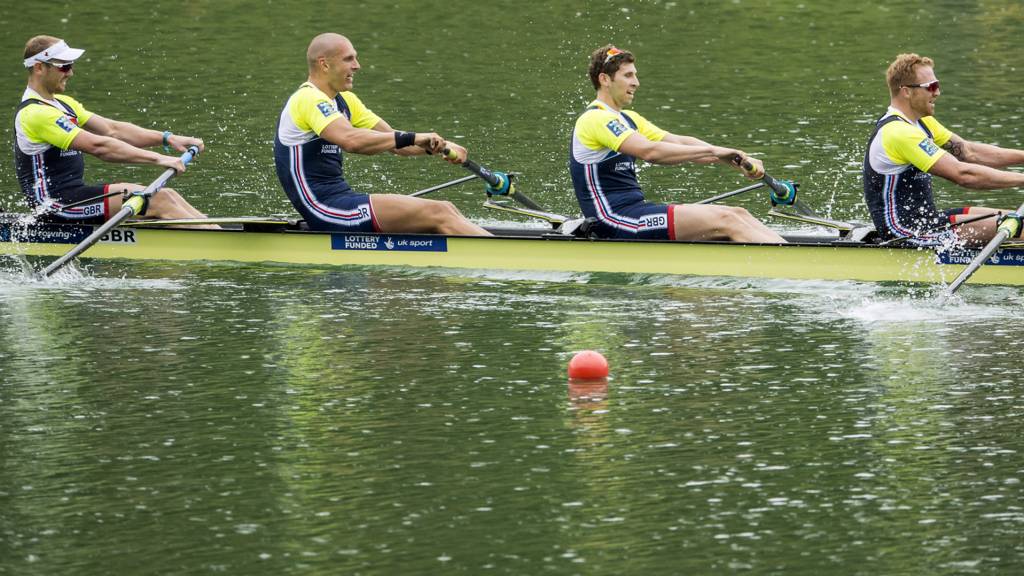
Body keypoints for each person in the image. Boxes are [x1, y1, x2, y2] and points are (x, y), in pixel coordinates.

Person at [273, 33, 490, 235]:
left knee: (447, 208)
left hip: (342, 200)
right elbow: (352, 141)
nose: (357, 66)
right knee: (439, 213)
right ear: (324, 64)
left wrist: (443, 145)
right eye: (349, 59)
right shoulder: (307, 99)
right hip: (323, 209)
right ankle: (509, 258)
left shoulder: (345, 101)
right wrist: (415, 137)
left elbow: (399, 144)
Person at [568, 45, 785, 243]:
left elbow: (680, 142)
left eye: (635, 75)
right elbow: (650, 152)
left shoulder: (628, 119)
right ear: (605, 79)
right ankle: (790, 267)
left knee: (739, 213)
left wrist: (734, 158)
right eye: (628, 75)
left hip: (635, 212)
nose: (636, 82)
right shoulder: (595, 119)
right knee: (727, 218)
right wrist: (714, 151)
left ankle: (787, 252)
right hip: (613, 221)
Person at [14, 36, 210, 224]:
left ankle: (216, 233)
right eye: (64, 66)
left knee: (167, 194)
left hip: (75, 196)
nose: (70, 72)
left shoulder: (63, 104)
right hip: (53, 206)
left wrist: (167, 138)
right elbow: (100, 146)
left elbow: (112, 130)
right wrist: (160, 159)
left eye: (71, 66)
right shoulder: (34, 113)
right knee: (161, 201)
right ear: (39, 67)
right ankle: (215, 247)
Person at [864, 53, 1024, 246]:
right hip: (904, 232)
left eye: (937, 85)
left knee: (1018, 221)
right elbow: (963, 174)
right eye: (931, 87)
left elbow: (969, 151)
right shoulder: (898, 132)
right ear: (906, 91)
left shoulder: (922, 122)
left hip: (930, 221)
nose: (937, 92)